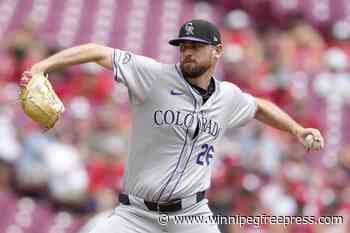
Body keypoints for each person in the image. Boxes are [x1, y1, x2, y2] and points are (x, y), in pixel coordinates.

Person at [20, 19, 324, 233]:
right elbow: (97, 51)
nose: (188, 51)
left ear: (217, 51)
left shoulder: (227, 96)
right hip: (136, 214)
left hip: (191, 216)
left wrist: (296, 129)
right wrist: (42, 66)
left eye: (196, 46)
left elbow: (258, 106)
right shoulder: (153, 76)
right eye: (184, 45)